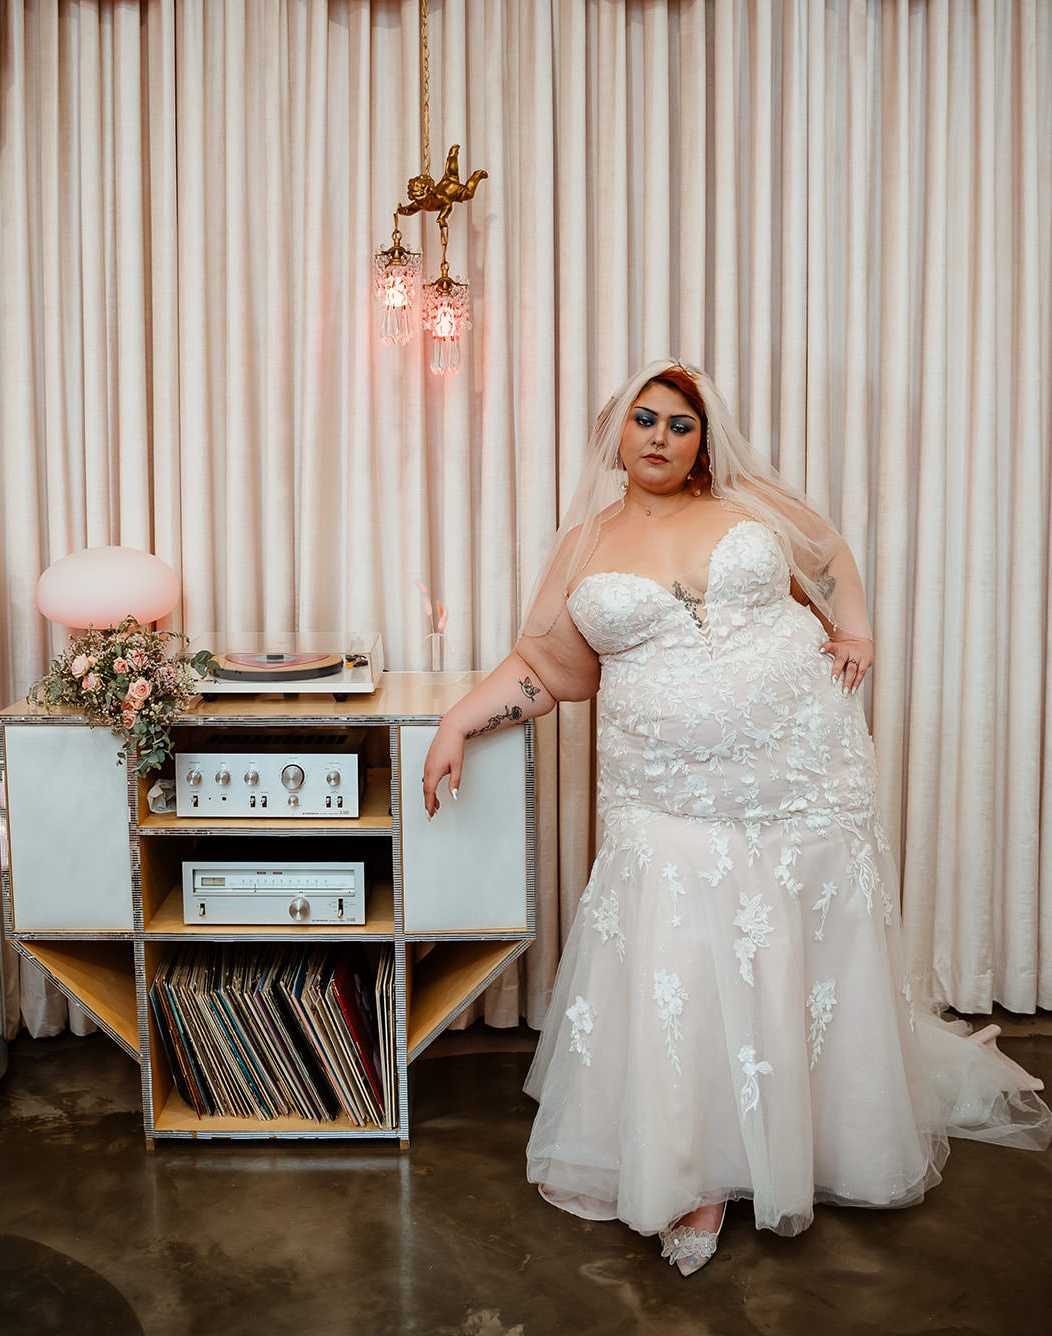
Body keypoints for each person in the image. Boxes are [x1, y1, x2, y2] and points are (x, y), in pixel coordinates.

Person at [422, 359, 1050, 1276]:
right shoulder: (583, 545)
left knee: (797, 945)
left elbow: (828, 554)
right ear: (615, 433)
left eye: (680, 424)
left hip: (801, 768)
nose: (660, 437)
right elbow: (546, 671)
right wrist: (456, 722)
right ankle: (699, 1165)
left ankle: (816, 1135)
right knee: (684, 956)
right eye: (644, 419)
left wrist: (856, 630)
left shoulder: (747, 505)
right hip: (665, 789)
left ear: (703, 440)